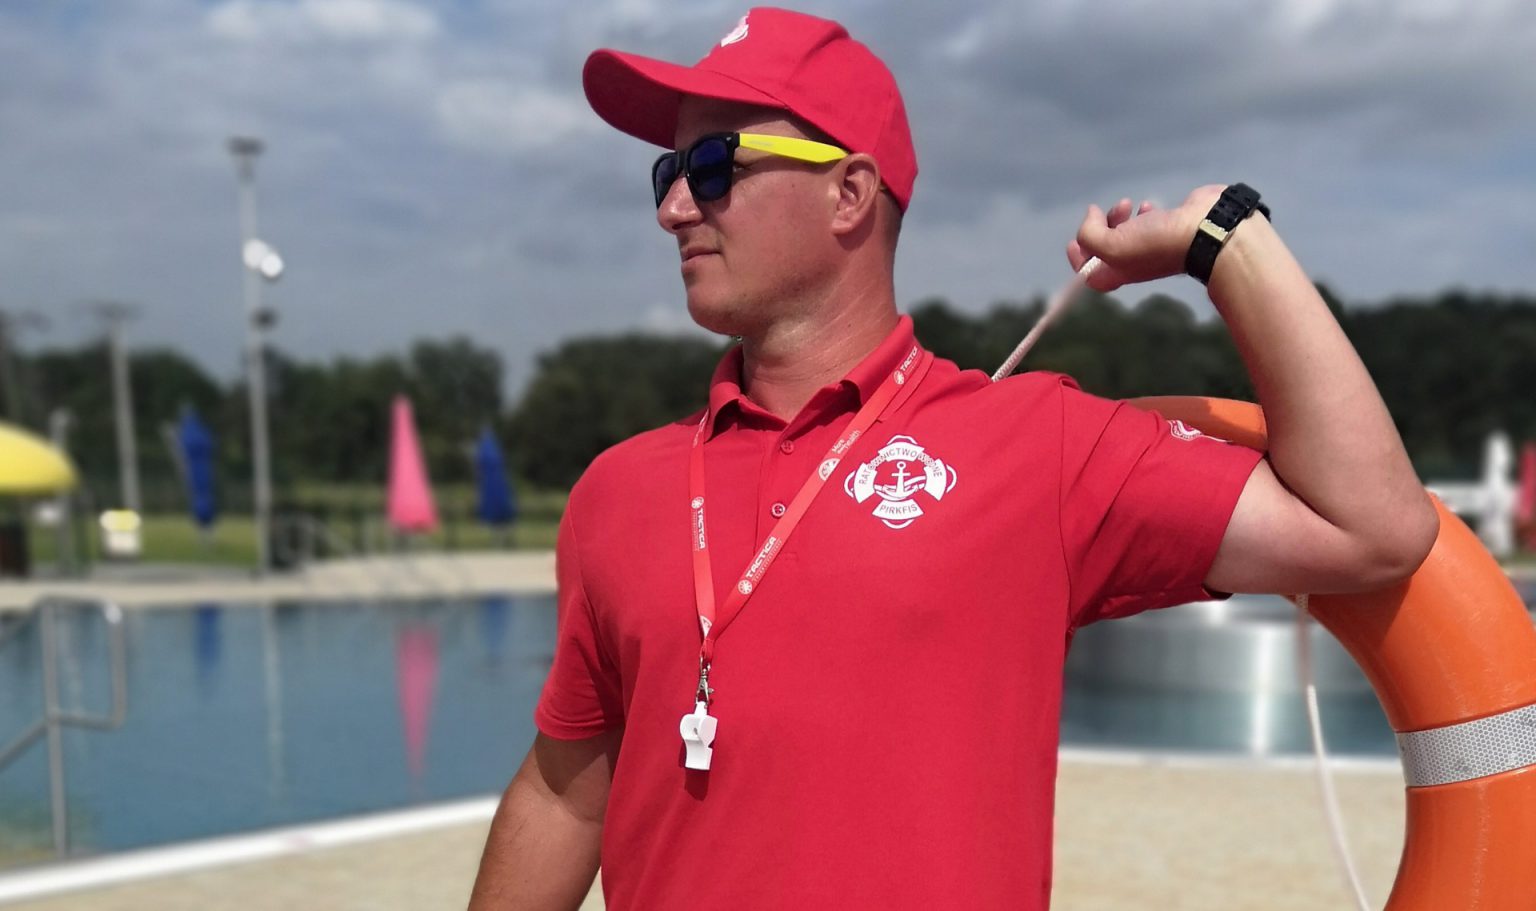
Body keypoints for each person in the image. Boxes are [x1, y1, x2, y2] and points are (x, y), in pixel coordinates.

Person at [469, 8, 1438, 909]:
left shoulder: (1040, 445)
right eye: (666, 174)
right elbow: (564, 796)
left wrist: (1224, 242)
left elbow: (1371, 527)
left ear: (849, 192)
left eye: (713, 165)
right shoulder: (618, 491)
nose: (674, 206)